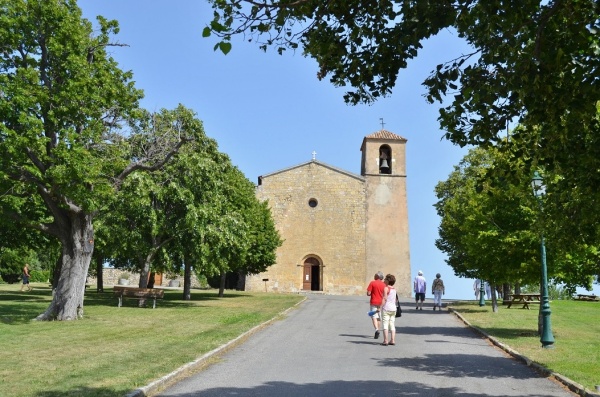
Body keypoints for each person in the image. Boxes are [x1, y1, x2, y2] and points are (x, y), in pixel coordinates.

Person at [379, 274, 397, 346]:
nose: (384, 280)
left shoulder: (386, 288)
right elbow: (395, 299)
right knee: (392, 324)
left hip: (386, 308)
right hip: (393, 309)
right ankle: (392, 340)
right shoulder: (394, 289)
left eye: (385, 279)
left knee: (385, 324)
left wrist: (380, 307)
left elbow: (385, 298)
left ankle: (385, 340)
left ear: (388, 281)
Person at [367, 271, 385, 339]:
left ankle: (376, 330)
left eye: (375, 275)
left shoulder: (372, 283)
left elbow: (368, 293)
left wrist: (371, 293)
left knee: (374, 316)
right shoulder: (383, 285)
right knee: (379, 317)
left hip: (373, 302)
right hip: (380, 303)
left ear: (377, 276)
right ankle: (378, 329)